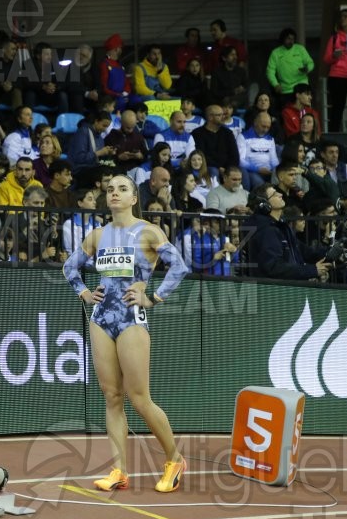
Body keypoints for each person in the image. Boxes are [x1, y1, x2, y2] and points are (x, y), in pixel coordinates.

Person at [62, 174, 189, 493]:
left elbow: (179, 267)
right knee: (112, 396)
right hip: (101, 318)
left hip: (132, 318)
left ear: (134, 198)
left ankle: (174, 460)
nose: (114, 193)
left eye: (122, 189)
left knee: (139, 398)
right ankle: (119, 469)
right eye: (110, 189)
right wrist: (83, 293)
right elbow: (69, 267)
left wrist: (154, 297)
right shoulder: (96, 235)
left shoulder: (148, 231)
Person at [242, 183, 331, 281]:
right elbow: (274, 268)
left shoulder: (281, 226)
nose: (280, 194)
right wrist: (312, 270)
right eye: (274, 194)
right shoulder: (266, 230)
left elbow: (305, 251)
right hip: (278, 292)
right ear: (264, 204)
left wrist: (331, 252)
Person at [323, 8, 347, 132]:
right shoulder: (334, 37)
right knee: (337, 107)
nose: (343, 19)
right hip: (337, 76)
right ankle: (334, 135)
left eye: (346, 16)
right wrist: (335, 56)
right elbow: (326, 59)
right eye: (341, 16)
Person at [180, 210, 238, 276]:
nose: (221, 224)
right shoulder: (200, 239)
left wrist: (234, 251)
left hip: (227, 278)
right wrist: (213, 259)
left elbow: (235, 262)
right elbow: (196, 265)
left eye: (221, 222)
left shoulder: (225, 239)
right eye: (216, 222)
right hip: (208, 279)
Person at [266, 27, 314, 102]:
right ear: (283, 39)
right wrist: (275, 84)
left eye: (292, 39)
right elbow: (270, 71)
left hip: (302, 87)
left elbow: (310, 63)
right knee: (287, 112)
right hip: (286, 89)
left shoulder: (300, 49)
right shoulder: (275, 53)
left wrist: (307, 68)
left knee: (304, 113)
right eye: (288, 38)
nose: (291, 41)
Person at [238, 112, 279, 189]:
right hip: (251, 171)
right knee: (262, 186)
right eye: (263, 126)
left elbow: (274, 160)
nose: (265, 130)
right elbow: (240, 161)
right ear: (255, 123)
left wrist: (276, 171)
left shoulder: (270, 139)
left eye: (268, 127)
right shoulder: (242, 137)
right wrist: (258, 169)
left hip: (269, 172)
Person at [98, 33, 132, 112]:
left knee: (136, 99)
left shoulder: (120, 65)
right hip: (111, 97)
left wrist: (126, 93)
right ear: (117, 49)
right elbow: (104, 86)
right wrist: (118, 95)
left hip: (122, 95)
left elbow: (126, 83)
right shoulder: (104, 64)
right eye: (120, 48)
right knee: (121, 101)